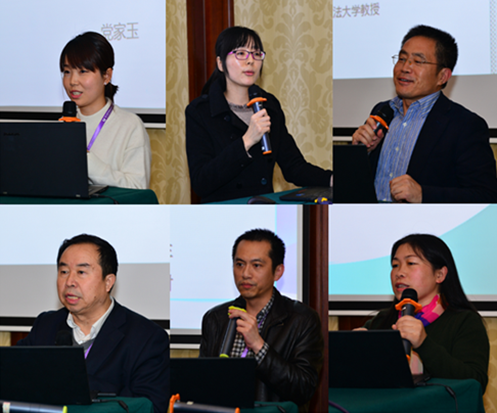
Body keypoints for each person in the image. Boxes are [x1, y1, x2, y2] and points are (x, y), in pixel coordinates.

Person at [17, 234, 169, 412]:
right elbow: (14, 379)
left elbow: (150, 407)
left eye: (81, 272)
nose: (69, 282)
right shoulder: (46, 324)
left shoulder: (146, 338)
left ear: (108, 282)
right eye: (64, 272)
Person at [352, 25, 497, 203]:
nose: (405, 68)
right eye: (402, 59)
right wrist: (360, 153)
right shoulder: (382, 111)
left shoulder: (465, 125)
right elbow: (360, 183)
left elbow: (486, 195)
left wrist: (423, 195)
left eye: (418, 61)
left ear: (442, 76)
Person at [185, 26, 332, 203]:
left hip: (263, 206)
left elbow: (294, 167)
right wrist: (247, 141)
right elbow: (201, 182)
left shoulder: (269, 105)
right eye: (240, 53)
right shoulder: (200, 111)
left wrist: (332, 179)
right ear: (220, 63)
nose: (250, 61)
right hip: (223, 209)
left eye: (256, 54)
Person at [199, 229, 323, 412]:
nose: (245, 273)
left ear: (278, 271)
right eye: (239, 264)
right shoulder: (216, 318)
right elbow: (203, 383)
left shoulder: (302, 320)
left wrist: (258, 346)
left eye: (256, 265)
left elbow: (303, 389)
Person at [361, 234, 489, 392]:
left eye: (411, 263)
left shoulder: (464, 321)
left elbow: (476, 382)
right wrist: (354, 352)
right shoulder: (381, 320)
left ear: (439, 274)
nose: (399, 272)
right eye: (395, 265)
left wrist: (424, 344)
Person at [60, 32, 151, 189]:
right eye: (67, 72)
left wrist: (86, 161)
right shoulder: (61, 126)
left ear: (107, 76)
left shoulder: (130, 126)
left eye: (83, 71)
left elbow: (138, 188)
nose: (72, 81)